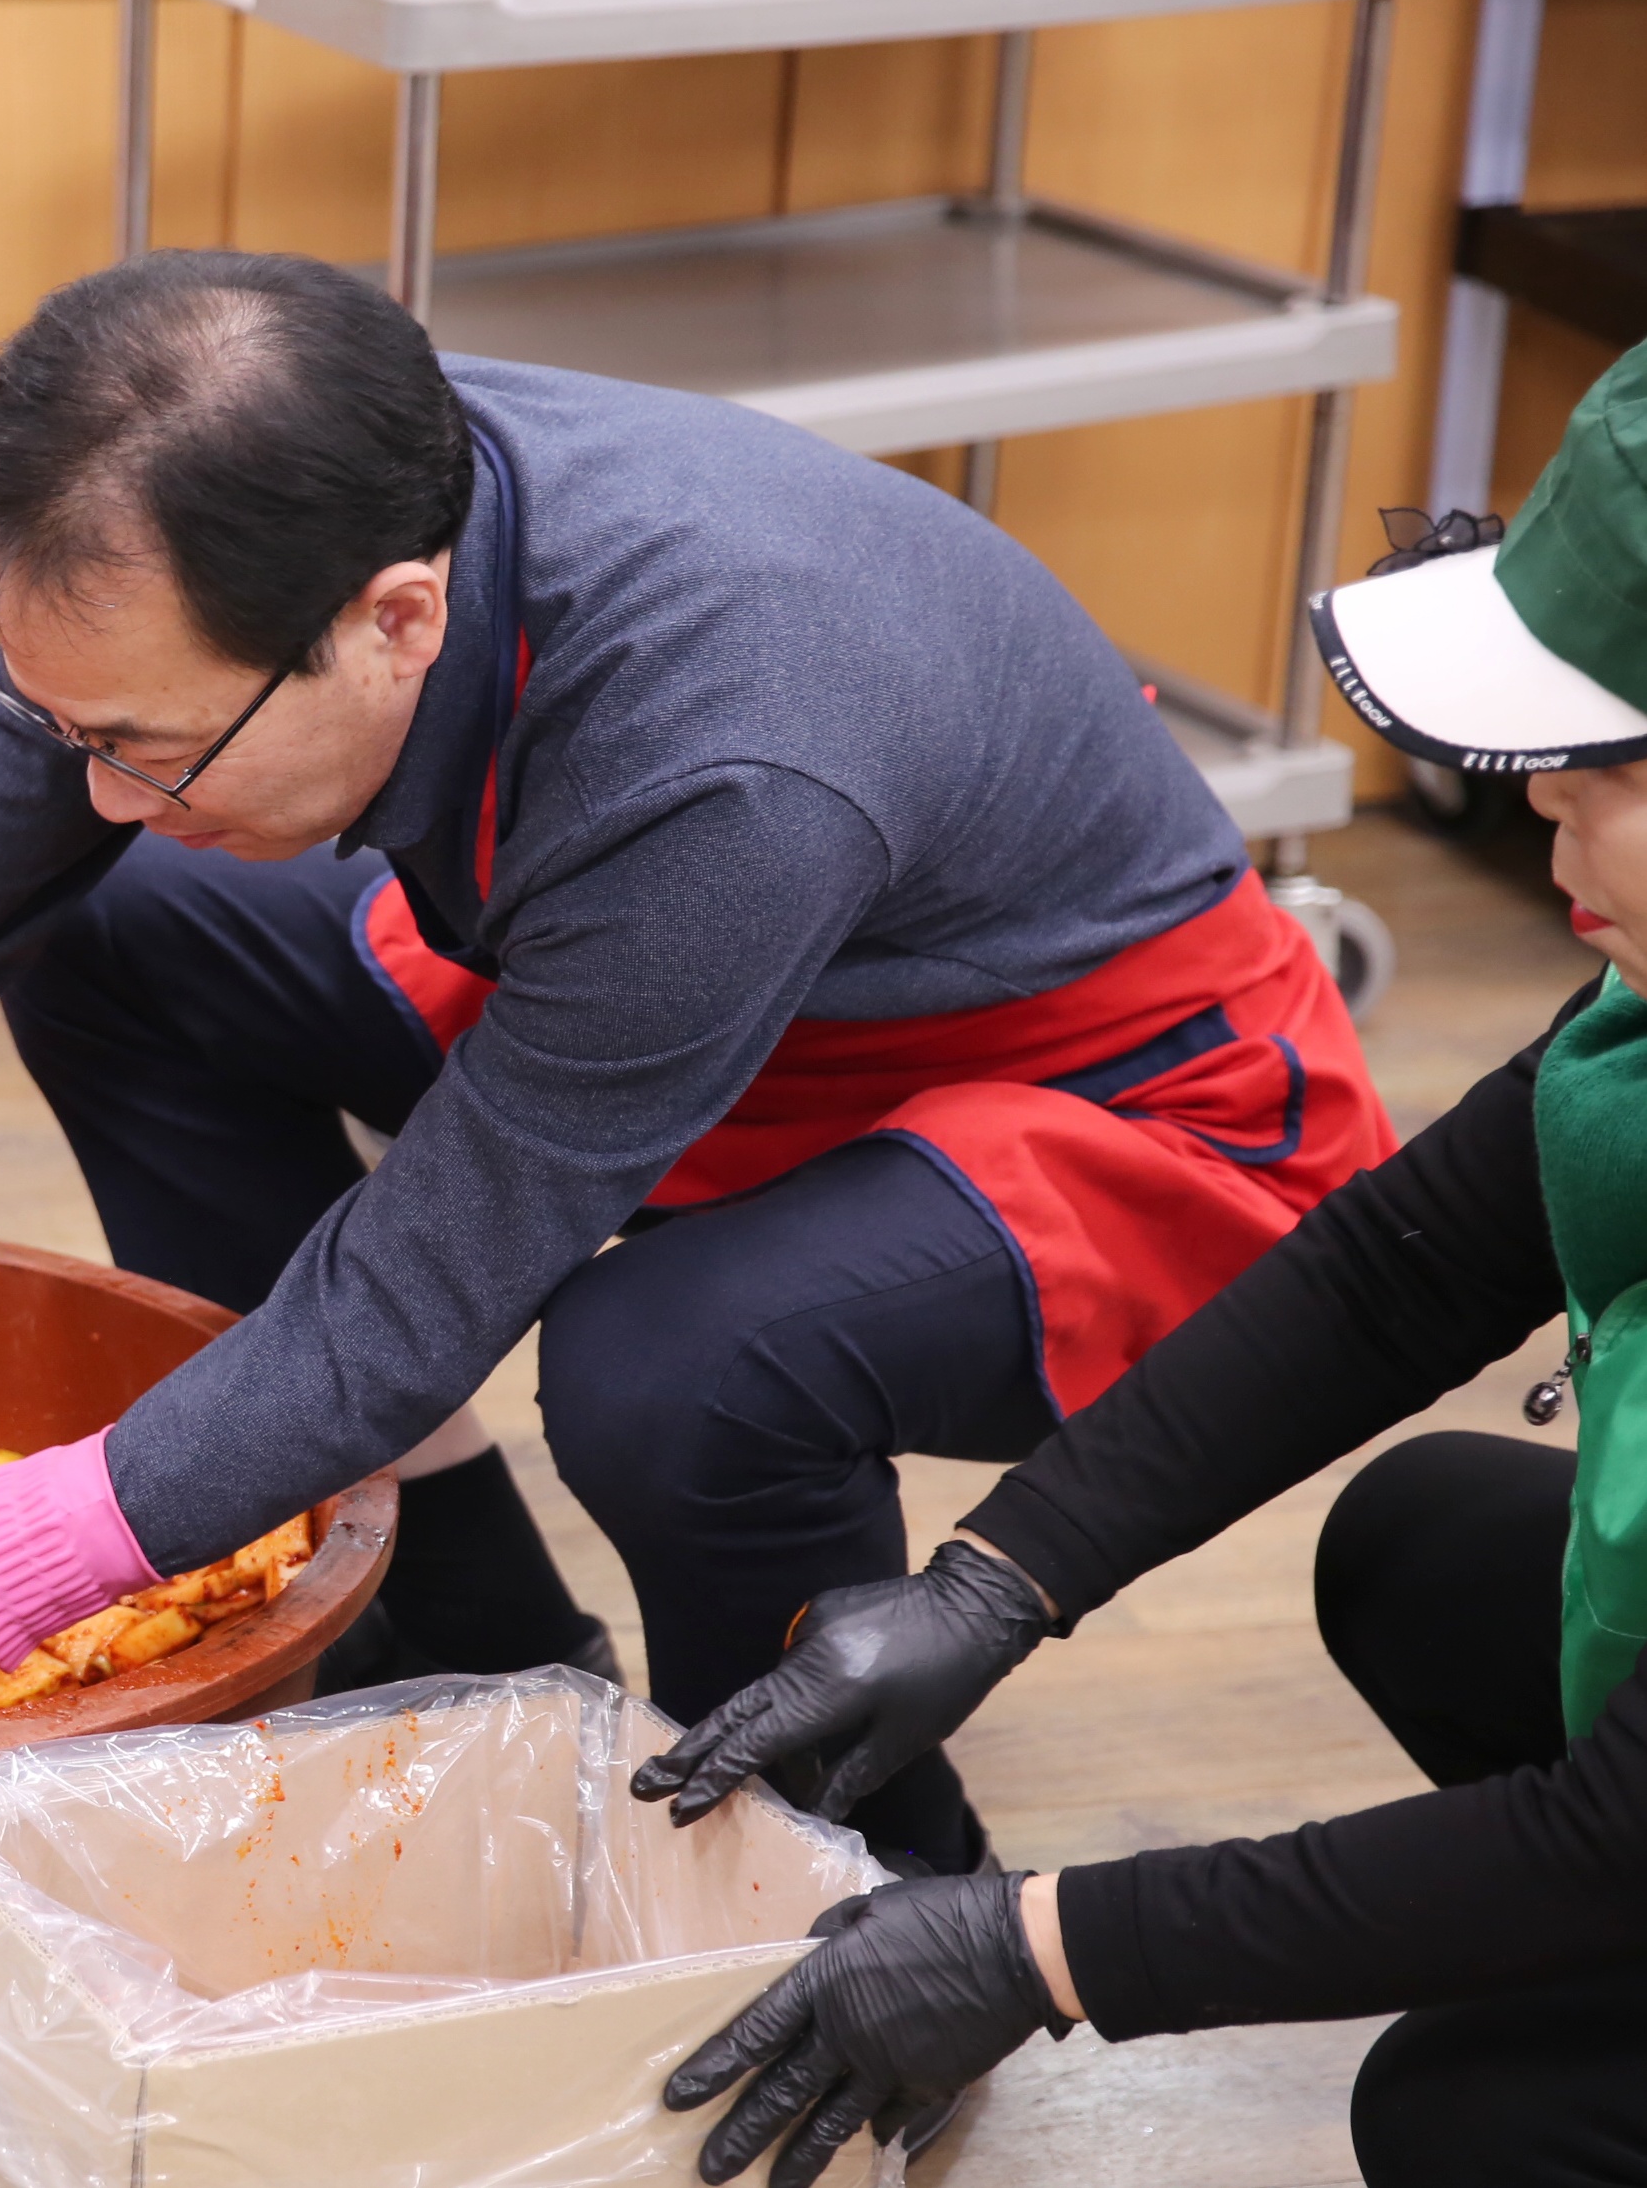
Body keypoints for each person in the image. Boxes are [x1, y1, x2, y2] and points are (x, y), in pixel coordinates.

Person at [0, 250, 1387, 1872]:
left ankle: (836, 1841)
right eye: (55, 716)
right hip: (685, 996)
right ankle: (473, 1638)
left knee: (680, 1366)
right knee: (122, 920)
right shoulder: (241, 523)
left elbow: (424, 1287)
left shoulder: (727, 740)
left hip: (1107, 1102)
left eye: (145, 745)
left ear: (398, 619)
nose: (93, 777)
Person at [634, 338, 1647, 2188]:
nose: (1539, 808)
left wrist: (1045, 1946)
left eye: (1601, 764)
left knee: (1471, 2112)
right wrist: (998, 1578)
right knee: (1419, 1540)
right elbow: (1400, 1265)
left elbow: (1617, 1827)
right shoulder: (1633, 1026)